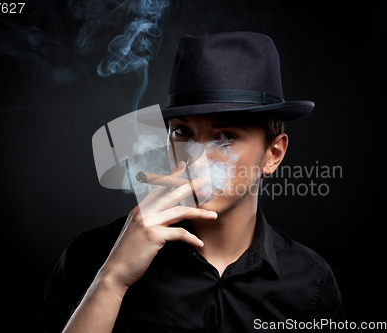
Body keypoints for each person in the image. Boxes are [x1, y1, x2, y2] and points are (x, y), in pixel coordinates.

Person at [39, 31, 345, 333]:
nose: (196, 161)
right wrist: (112, 280)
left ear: (273, 154)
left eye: (226, 137)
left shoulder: (310, 282)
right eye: (182, 133)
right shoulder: (92, 256)